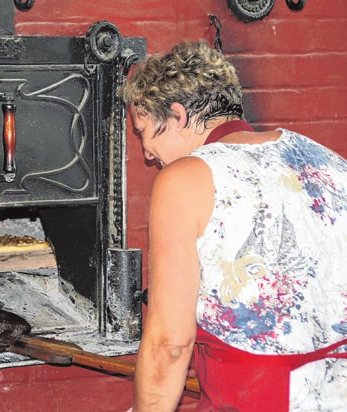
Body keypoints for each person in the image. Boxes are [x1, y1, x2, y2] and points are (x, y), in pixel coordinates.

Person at [120, 40, 347, 411]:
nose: (145, 151)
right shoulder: (325, 160)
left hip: (258, 399)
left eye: (144, 129)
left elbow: (170, 345)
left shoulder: (184, 180)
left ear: (177, 116)